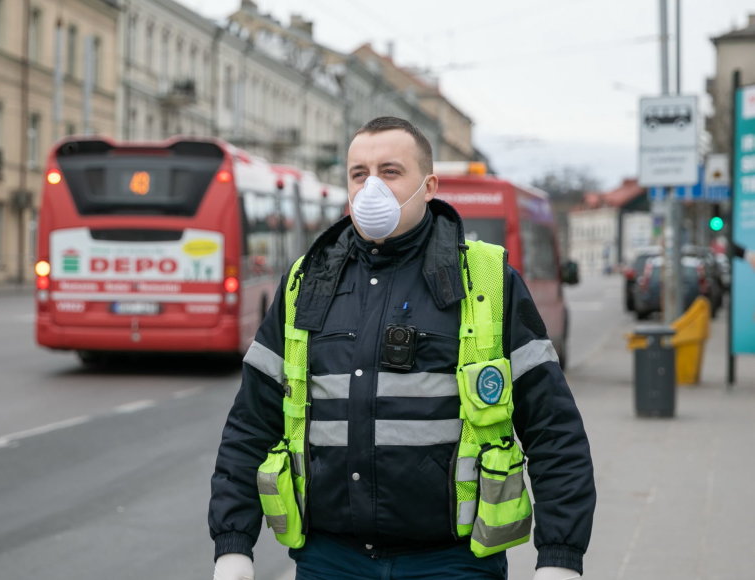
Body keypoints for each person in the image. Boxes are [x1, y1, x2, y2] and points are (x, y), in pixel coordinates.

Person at [209, 117, 596, 580]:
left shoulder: (486, 282)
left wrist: (560, 555)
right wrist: (233, 542)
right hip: (331, 560)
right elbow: (251, 422)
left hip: (452, 562)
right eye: (359, 174)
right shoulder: (306, 283)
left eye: (390, 171)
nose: (372, 186)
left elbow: (553, 429)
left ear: (428, 185)